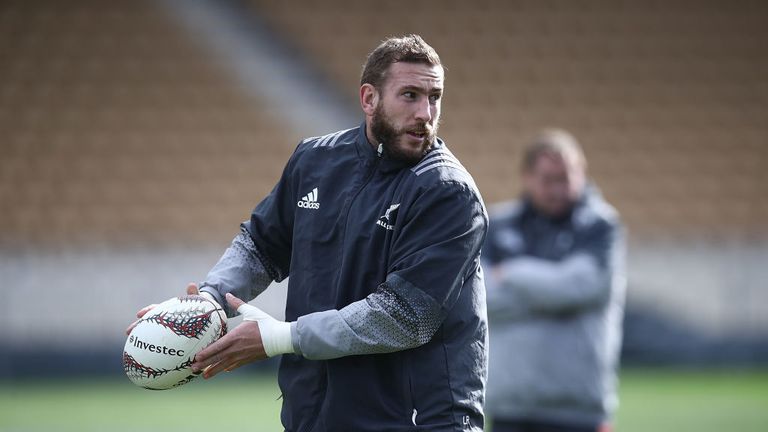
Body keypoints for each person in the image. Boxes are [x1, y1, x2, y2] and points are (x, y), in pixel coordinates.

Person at [126, 35, 489, 431]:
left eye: (434, 97)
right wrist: (209, 303)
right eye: (410, 95)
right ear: (369, 99)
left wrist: (280, 338)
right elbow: (260, 245)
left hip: (418, 421)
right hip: (313, 416)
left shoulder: (446, 192)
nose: (426, 112)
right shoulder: (316, 159)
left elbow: (403, 315)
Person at [482, 130, 626, 432]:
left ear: (582, 173)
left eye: (566, 178)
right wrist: (551, 292)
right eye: (549, 179)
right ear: (526, 176)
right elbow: (479, 296)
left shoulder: (601, 226)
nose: (558, 189)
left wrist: (511, 273)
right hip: (511, 405)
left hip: (579, 407)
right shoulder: (496, 224)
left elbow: (579, 287)